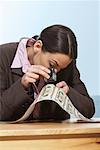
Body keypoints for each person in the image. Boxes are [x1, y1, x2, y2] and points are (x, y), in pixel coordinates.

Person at [0, 24, 95, 121]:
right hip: (13, 134)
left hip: (53, 133)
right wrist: (22, 85)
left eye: (62, 68)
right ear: (37, 46)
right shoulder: (3, 56)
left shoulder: (64, 63)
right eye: (52, 64)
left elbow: (89, 111)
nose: (56, 71)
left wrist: (69, 93)